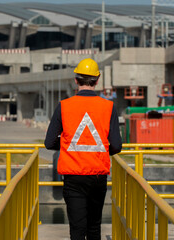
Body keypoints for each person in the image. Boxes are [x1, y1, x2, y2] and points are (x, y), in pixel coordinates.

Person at [44, 58, 122, 240]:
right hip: (97, 177)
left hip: (73, 177)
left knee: (77, 229)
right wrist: (97, 150)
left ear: (76, 80)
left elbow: (49, 143)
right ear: (97, 80)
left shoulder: (64, 106)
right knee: (94, 227)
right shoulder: (109, 107)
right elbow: (116, 146)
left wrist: (70, 148)